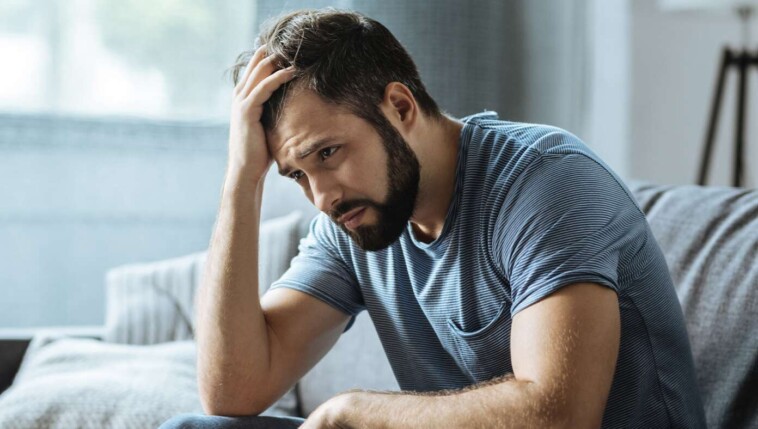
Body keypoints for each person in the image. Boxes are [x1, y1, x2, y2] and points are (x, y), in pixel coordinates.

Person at [160, 8, 706, 429]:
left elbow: (558, 415)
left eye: (328, 153)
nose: (321, 195)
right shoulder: (350, 219)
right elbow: (234, 389)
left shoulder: (545, 181)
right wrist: (241, 180)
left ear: (400, 107)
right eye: (296, 175)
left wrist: (355, 413)